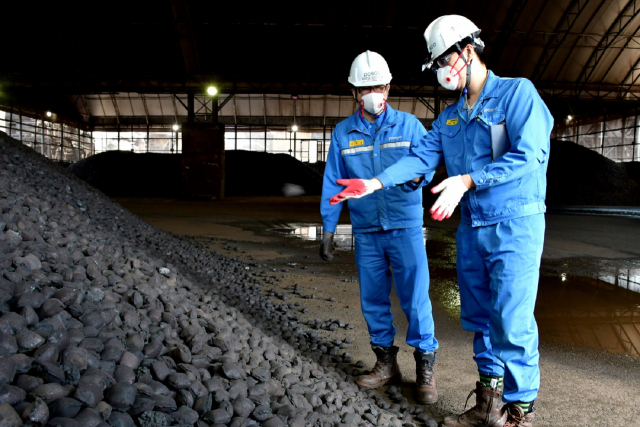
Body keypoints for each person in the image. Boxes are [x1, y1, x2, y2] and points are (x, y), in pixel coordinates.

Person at [330, 16, 552, 427]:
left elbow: (531, 154)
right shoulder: (450, 118)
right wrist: (375, 182)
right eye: (435, 66)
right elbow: (419, 158)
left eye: (443, 60)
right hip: (473, 226)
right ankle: (488, 405)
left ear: (468, 51)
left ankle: (521, 411)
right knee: (482, 318)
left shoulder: (517, 94)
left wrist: (469, 179)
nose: (441, 72)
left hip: (514, 224)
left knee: (512, 319)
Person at [320, 50, 439, 404]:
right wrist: (328, 229)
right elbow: (332, 182)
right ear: (354, 92)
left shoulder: (410, 126)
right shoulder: (344, 133)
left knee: (416, 299)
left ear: (388, 87)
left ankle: (425, 370)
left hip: (405, 227)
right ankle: (386, 364)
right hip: (367, 230)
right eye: (365, 87)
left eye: (378, 86)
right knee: (373, 300)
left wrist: (419, 175)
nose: (373, 92)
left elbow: (427, 165)